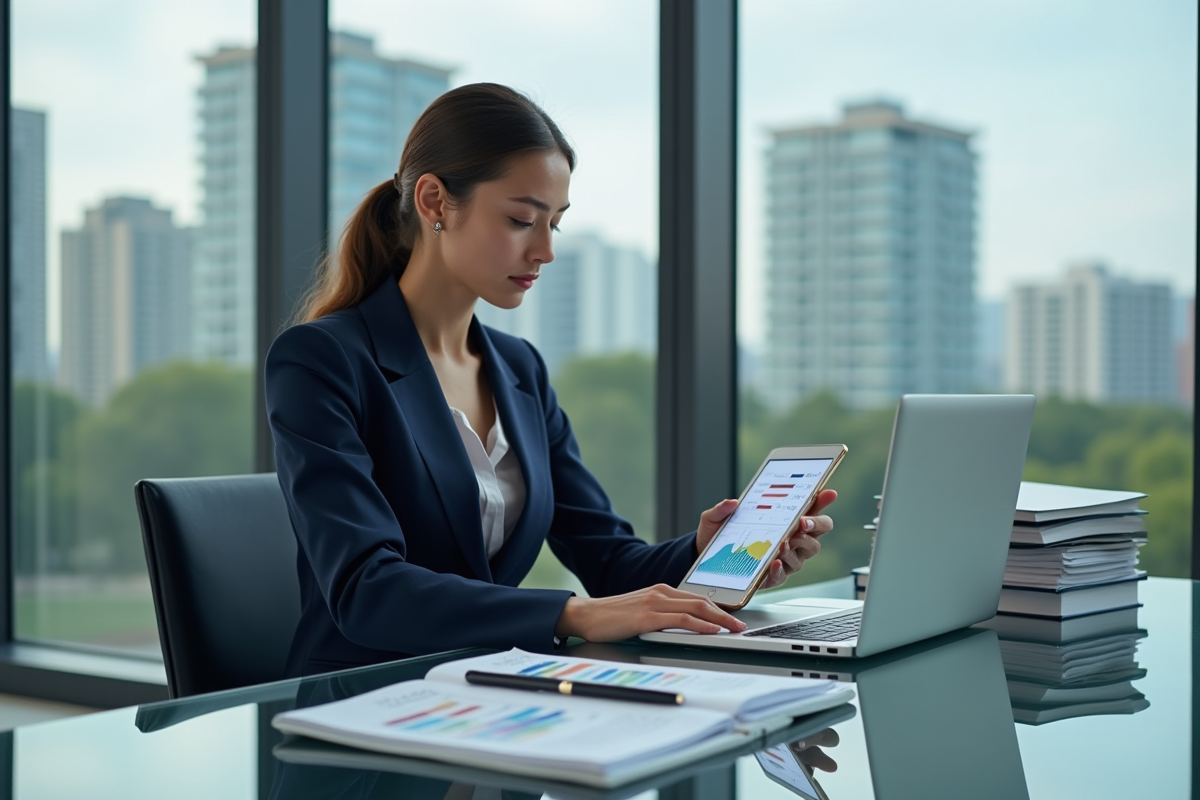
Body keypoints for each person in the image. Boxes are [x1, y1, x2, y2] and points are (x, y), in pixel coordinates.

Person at [265, 82, 836, 677]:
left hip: (492, 693)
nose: (544, 250)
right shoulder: (322, 359)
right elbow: (366, 589)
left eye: (554, 225)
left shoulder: (520, 370)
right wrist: (572, 614)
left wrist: (713, 551)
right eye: (521, 220)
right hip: (361, 702)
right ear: (435, 202)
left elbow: (610, 563)